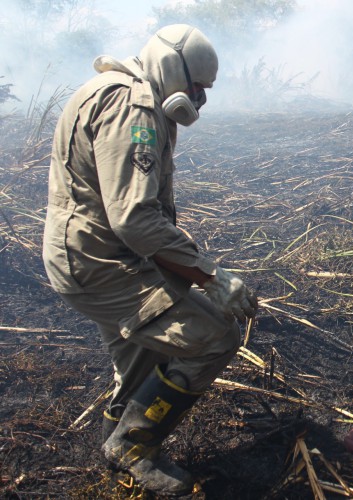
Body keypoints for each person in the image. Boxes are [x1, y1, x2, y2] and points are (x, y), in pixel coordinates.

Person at [42, 24, 257, 496]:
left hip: (90, 255)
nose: (198, 100)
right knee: (215, 338)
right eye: (197, 88)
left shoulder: (114, 91)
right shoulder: (134, 109)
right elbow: (135, 220)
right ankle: (132, 447)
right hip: (101, 264)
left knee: (142, 356)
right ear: (171, 68)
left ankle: (118, 446)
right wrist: (210, 277)